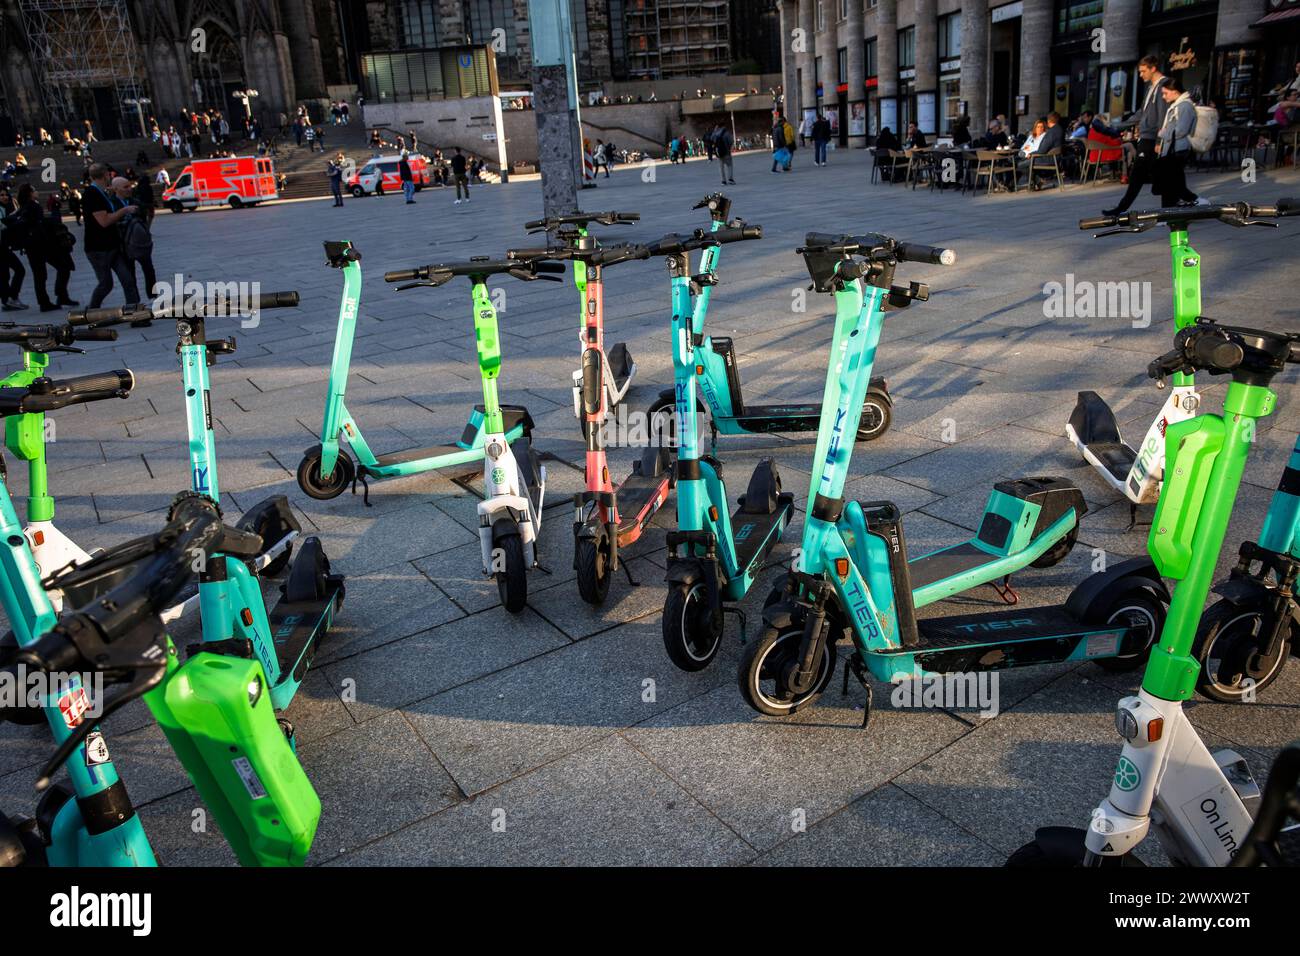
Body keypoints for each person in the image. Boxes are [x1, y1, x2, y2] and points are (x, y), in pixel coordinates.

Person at [1104, 55, 1170, 216]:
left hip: (1152, 138)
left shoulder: (1163, 86)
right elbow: (1142, 112)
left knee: (1143, 175)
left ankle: (1122, 208)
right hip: (1147, 137)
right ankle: (1184, 203)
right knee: (1157, 176)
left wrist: (1160, 139)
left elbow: (1163, 116)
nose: (1141, 75)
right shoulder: (1150, 88)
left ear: (1153, 68)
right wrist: (1120, 124)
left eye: (1143, 71)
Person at [81, 164, 139, 310]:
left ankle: (135, 313)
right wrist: (124, 210)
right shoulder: (91, 194)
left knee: (128, 280)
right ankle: (92, 308)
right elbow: (104, 221)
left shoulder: (101, 192)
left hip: (111, 245)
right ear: (106, 175)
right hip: (99, 249)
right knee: (106, 284)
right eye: (109, 175)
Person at [15, 184, 74, 312]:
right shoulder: (33, 206)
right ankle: (55, 298)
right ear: (30, 193)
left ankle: (47, 300)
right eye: (34, 190)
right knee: (61, 268)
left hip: (32, 246)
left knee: (40, 275)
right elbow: (38, 224)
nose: (37, 192)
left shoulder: (24, 207)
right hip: (42, 245)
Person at [1155, 74, 1200, 207]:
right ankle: (1179, 206)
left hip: (1178, 149)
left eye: (1165, 93)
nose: (1164, 97)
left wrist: (1163, 133)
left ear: (1174, 91)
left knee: (1171, 184)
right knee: (1172, 184)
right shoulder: (1177, 105)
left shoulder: (1185, 106)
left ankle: (1196, 201)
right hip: (1172, 149)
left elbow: (1181, 130)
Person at [112, 176, 156, 304]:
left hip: (139, 243)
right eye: (125, 187)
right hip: (124, 245)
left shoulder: (136, 201)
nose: (129, 189)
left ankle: (152, 294)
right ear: (116, 189)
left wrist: (145, 230)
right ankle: (135, 300)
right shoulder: (112, 203)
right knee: (130, 273)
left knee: (149, 268)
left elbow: (145, 218)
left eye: (129, 186)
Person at [0, 185, 29, 310]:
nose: (5, 197)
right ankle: (10, 299)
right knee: (17, 271)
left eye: (6, 194)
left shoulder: (6, 207)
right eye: (1, 195)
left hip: (5, 246)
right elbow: (3, 226)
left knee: (6, 274)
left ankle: (9, 300)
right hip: (1, 247)